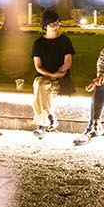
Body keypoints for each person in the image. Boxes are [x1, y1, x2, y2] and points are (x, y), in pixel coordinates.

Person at [30, 9, 74, 138]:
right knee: (41, 85)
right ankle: (51, 117)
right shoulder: (38, 44)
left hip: (61, 76)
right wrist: (51, 75)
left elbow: (67, 62)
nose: (56, 27)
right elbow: (38, 66)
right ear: (45, 26)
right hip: (44, 76)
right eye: (52, 24)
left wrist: (58, 73)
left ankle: (41, 126)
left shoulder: (65, 41)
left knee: (42, 88)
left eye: (57, 23)